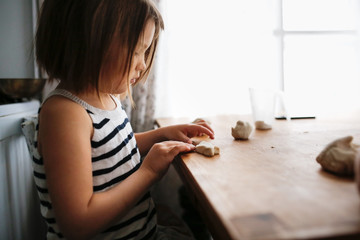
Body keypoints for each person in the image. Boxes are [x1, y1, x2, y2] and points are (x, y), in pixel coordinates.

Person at [33, 0, 214, 239]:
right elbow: (77, 224)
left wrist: (162, 134)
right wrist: (148, 172)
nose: (143, 63)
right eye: (137, 51)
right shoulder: (65, 113)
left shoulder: (107, 98)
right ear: (90, 41)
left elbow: (111, 149)